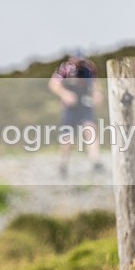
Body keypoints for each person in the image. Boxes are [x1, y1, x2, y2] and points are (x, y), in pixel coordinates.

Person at [48, 50, 103, 178]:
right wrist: (64, 94)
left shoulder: (89, 67)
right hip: (70, 107)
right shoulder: (65, 68)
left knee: (90, 129)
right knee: (68, 137)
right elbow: (53, 83)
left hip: (85, 104)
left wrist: (97, 94)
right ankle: (63, 164)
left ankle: (95, 161)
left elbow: (95, 84)